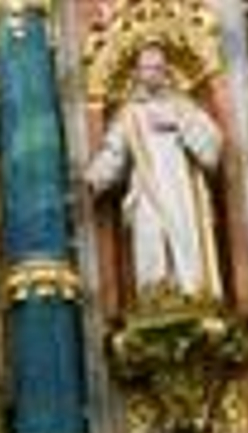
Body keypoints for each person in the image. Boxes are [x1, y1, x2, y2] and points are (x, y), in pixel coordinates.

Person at [86, 43, 226, 302]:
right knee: (150, 239)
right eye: (146, 68)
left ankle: (191, 291)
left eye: (156, 67)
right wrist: (96, 176)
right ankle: (155, 294)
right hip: (147, 193)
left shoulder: (183, 108)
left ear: (165, 72)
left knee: (186, 242)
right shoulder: (130, 114)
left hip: (182, 192)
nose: (151, 73)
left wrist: (179, 123)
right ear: (138, 73)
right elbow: (114, 152)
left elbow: (213, 147)